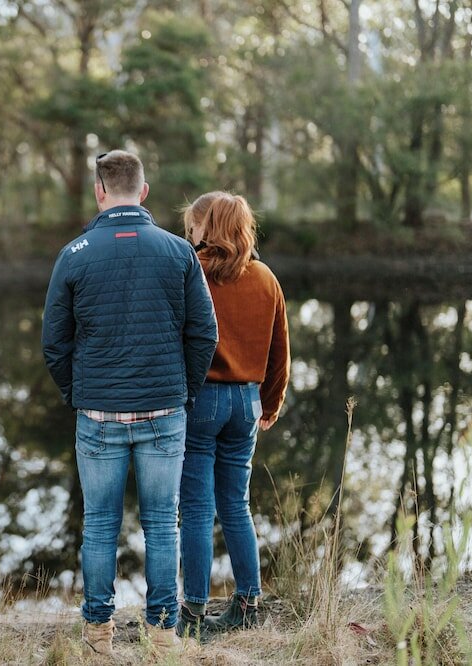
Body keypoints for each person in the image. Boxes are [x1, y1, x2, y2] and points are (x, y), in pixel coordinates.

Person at [41, 150, 218, 656]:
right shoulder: (178, 252)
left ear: (100, 191)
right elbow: (204, 334)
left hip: (98, 417)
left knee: (99, 524)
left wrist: (79, 393)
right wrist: (180, 391)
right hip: (164, 413)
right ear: (143, 192)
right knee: (163, 523)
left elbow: (55, 343)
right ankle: (162, 635)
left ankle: (98, 633)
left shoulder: (74, 254)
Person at [175, 191, 290, 639]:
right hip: (247, 403)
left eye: (193, 227)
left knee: (198, 509)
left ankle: (194, 612)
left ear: (211, 227)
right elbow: (281, 351)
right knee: (236, 506)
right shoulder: (266, 278)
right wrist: (271, 401)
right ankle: (248, 602)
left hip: (202, 401)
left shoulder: (194, 273)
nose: (189, 234)